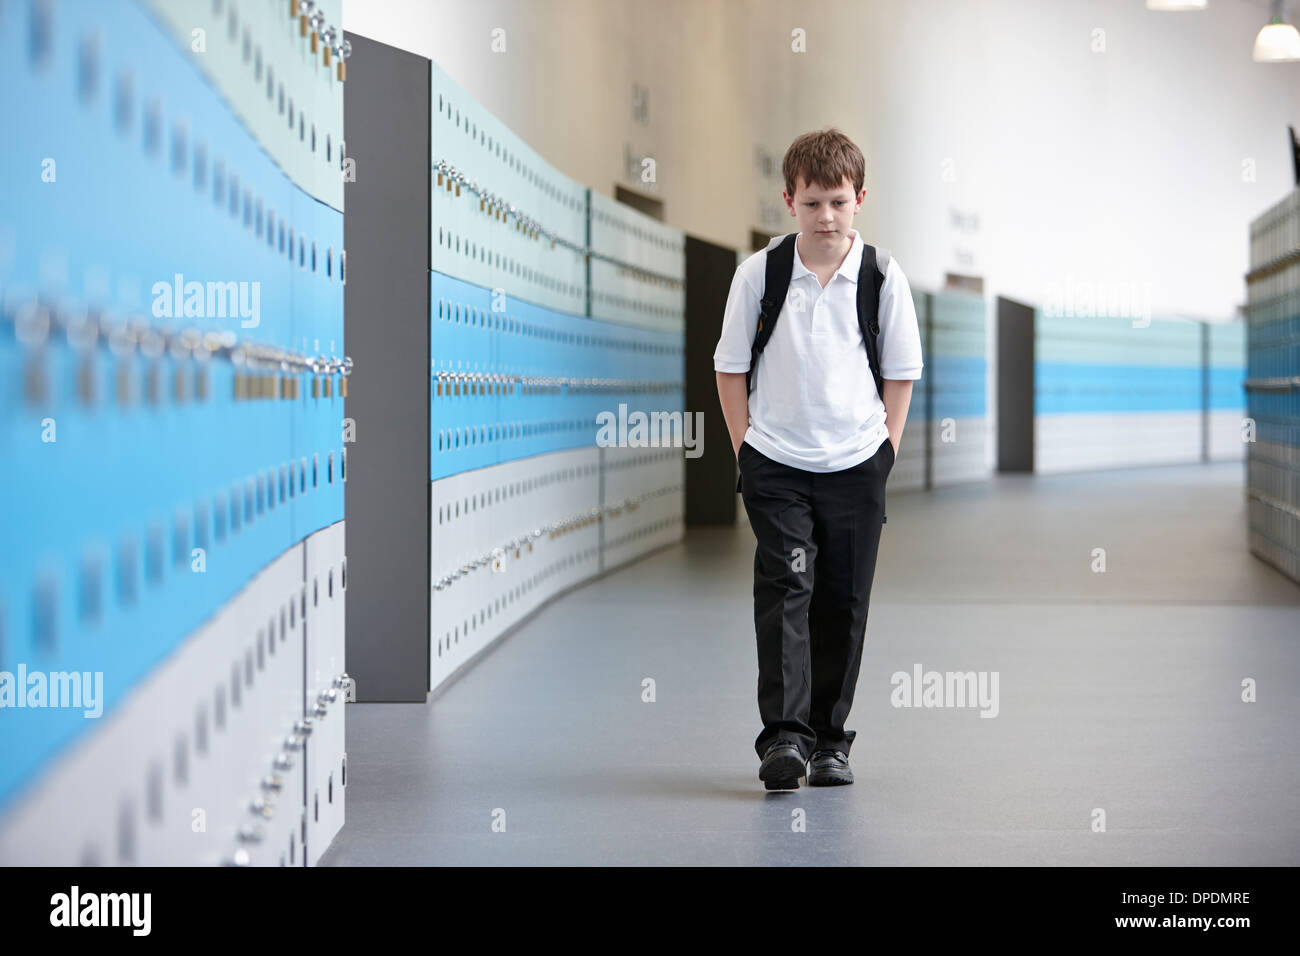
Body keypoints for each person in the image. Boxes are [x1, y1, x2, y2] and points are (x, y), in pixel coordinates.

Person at [713, 128, 924, 790]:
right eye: (812, 204)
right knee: (787, 591)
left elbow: (901, 374)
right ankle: (784, 739)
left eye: (838, 201)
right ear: (788, 200)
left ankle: (832, 741)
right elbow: (729, 368)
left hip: (857, 465)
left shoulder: (884, 277)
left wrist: (884, 454)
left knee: (843, 601)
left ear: (860, 198)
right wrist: (745, 450)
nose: (826, 217)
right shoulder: (760, 274)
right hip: (777, 464)